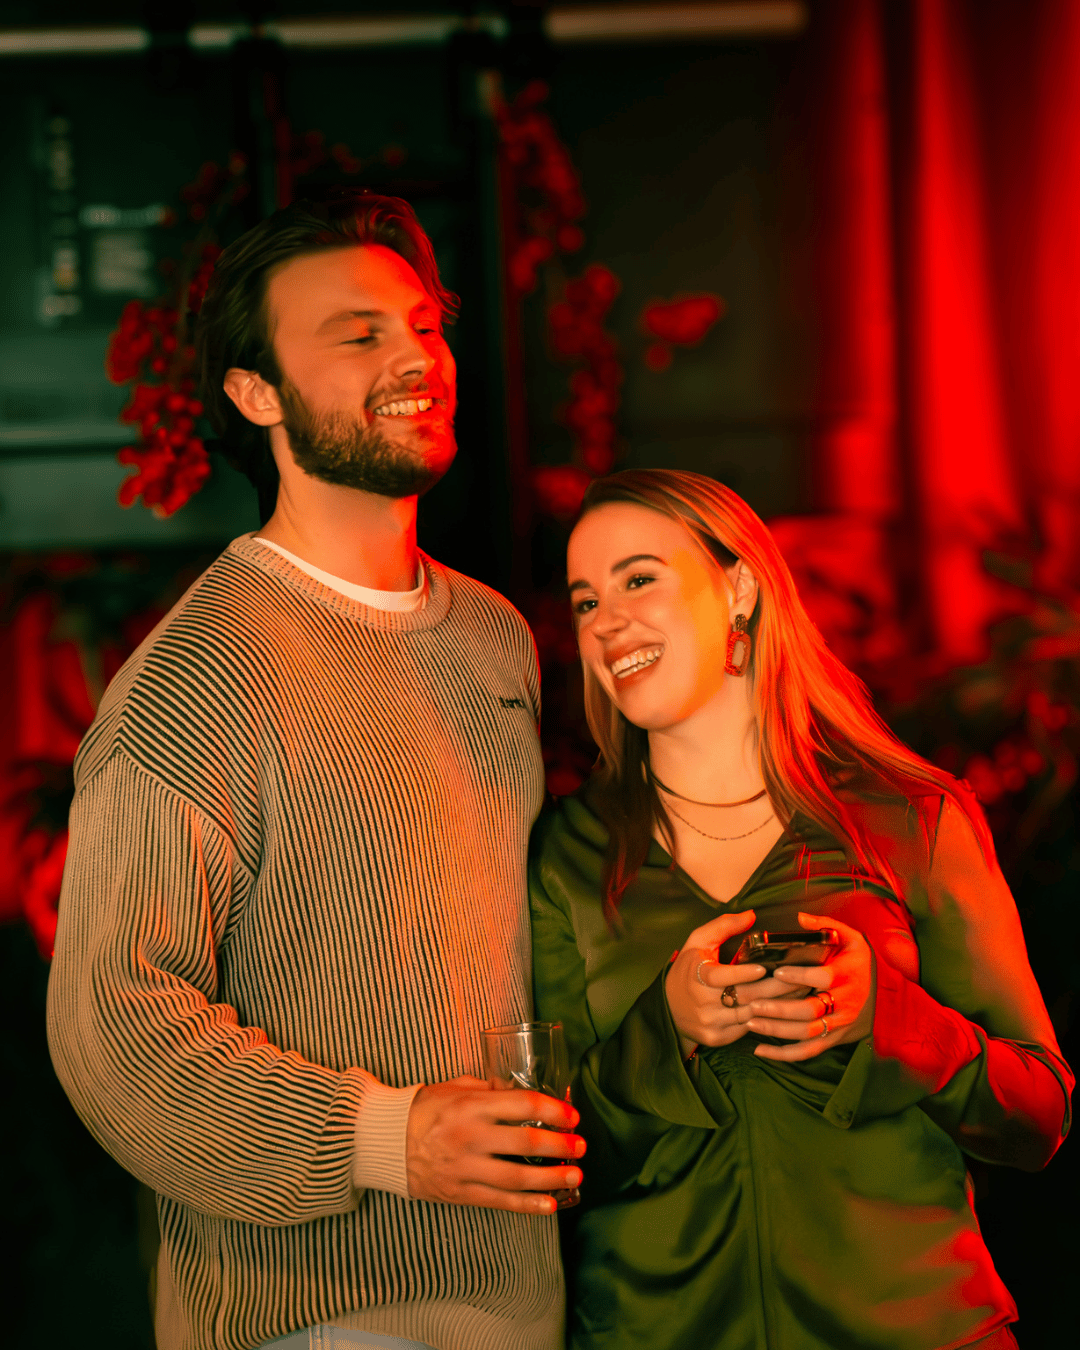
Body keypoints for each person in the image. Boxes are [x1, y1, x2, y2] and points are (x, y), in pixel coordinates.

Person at [47, 190, 585, 1350]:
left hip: (521, 1291)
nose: (415, 359)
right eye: (358, 335)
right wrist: (384, 1139)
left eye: (423, 326)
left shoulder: (494, 638)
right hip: (313, 1320)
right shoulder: (198, 677)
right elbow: (113, 1031)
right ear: (255, 395)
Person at [529, 469, 1073, 1350]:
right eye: (585, 600)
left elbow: (1039, 1115)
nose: (606, 620)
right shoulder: (567, 853)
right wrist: (665, 1028)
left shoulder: (913, 816)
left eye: (638, 579)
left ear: (739, 588)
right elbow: (548, 1160)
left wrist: (884, 1018)